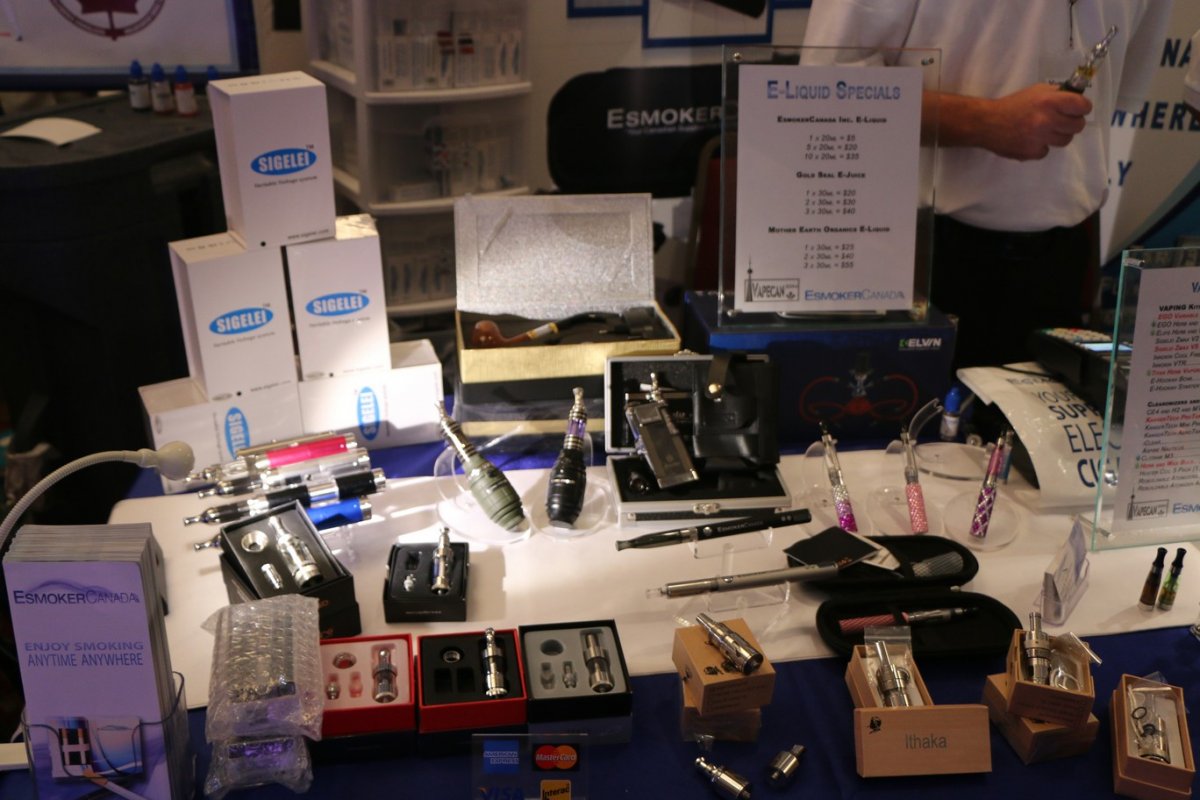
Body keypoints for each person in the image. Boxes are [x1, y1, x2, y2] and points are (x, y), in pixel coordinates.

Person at [802, 1, 1174, 368]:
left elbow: (1111, 99)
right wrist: (986, 121)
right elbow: (823, 89)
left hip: (1063, 261)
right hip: (916, 256)